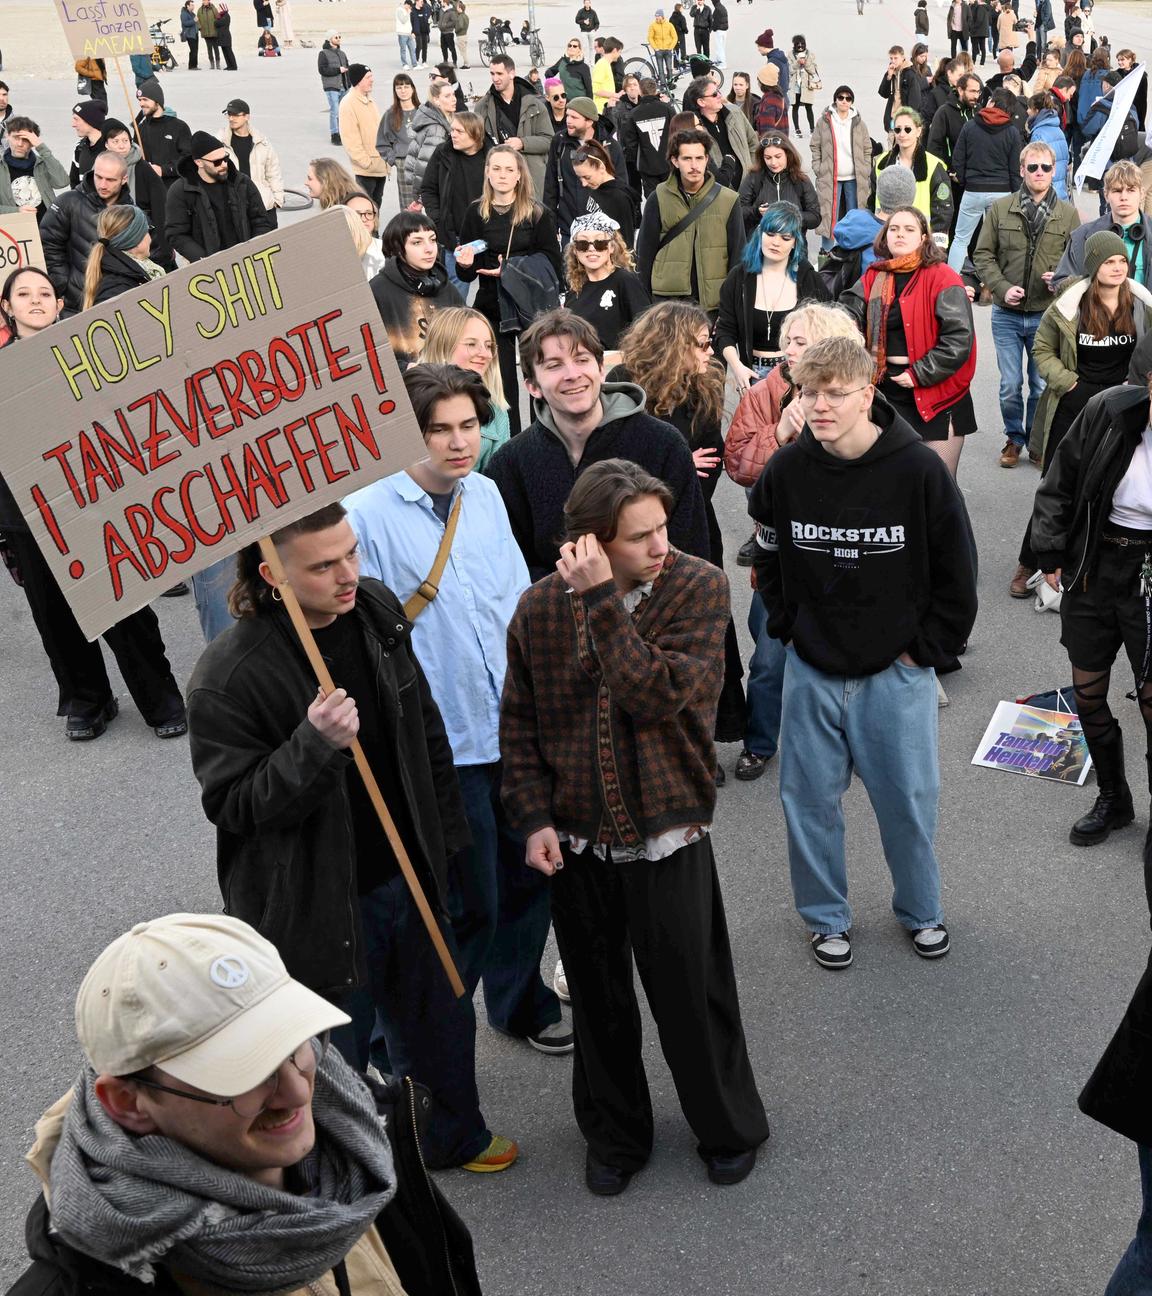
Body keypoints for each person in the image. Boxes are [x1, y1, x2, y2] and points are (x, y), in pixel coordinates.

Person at [186, 503, 516, 1174]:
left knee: (439, 1019)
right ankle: (353, 1174)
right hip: (319, 903)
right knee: (331, 1054)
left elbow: (423, 728)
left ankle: (452, 1134)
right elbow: (234, 805)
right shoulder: (228, 675)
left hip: (407, 869)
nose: (347, 574)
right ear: (273, 572)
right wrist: (315, 744)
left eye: (351, 554)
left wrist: (448, 844)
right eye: (324, 564)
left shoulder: (372, 608)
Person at [499, 455, 769, 1195]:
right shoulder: (537, 609)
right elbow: (519, 724)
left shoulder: (698, 586)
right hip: (577, 839)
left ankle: (727, 1126)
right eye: (639, 535)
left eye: (662, 526)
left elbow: (656, 693)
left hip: (666, 829)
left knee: (691, 995)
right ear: (591, 542)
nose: (661, 545)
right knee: (598, 1000)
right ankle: (615, 1136)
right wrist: (531, 819)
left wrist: (601, 607)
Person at [3, 912, 484, 1296]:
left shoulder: (362, 1138)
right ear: (127, 1102)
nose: (298, 1093)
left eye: (292, 1043)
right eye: (245, 1073)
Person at [344, 365, 570, 1058]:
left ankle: (518, 1000)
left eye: (467, 424)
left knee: (532, 877)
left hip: (513, 726)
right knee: (467, 904)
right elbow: (363, 632)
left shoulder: (491, 493)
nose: (456, 441)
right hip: (442, 745)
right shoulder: (368, 511)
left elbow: (509, 598)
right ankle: (413, 1041)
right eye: (436, 429)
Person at [749, 333, 976, 969]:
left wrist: (925, 651)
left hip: (895, 673)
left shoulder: (918, 470)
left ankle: (921, 910)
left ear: (866, 396)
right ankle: (826, 919)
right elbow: (765, 553)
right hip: (812, 668)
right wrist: (789, 629)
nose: (819, 406)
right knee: (809, 804)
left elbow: (959, 574)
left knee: (908, 803)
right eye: (809, 393)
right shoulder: (787, 470)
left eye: (834, 394)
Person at [0, 267, 187, 737]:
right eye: (24, 294)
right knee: (56, 619)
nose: (36, 300)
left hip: (96, 507)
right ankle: (89, 701)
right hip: (27, 518)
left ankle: (161, 701)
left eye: (45, 293)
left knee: (126, 610)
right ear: (7, 307)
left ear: (60, 305)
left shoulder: (87, 359)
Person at [1028, 258, 1152, 858]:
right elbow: (1057, 485)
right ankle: (1113, 797)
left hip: (1151, 575)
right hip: (1098, 563)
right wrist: (1050, 553)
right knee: (1091, 693)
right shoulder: (1110, 412)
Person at [725, 303, 863, 776]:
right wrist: (779, 430)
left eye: (801, 341)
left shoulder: (858, 391)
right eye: (788, 340)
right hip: (779, 551)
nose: (788, 349)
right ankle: (760, 741)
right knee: (766, 654)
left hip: (844, 552)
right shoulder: (766, 392)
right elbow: (739, 465)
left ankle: (845, 742)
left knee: (843, 651)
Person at [484, 307, 709, 578]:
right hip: (555, 615)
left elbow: (691, 555)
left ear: (601, 369)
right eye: (554, 365)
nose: (572, 374)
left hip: (655, 614)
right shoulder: (510, 464)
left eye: (581, 359)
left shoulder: (663, 444)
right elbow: (511, 570)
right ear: (532, 385)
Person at [1016, 233, 1152, 607]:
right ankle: (1029, 563)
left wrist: (1137, 386)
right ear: (1094, 266)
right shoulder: (1069, 305)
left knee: (1109, 484)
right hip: (1076, 404)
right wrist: (1067, 382)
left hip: (1124, 408)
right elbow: (1042, 348)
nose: (1118, 268)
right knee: (1057, 485)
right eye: (1109, 262)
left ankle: (1092, 568)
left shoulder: (1142, 303)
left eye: (1122, 261)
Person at [842, 205, 978, 479]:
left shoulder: (943, 276)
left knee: (940, 486)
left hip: (936, 393)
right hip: (885, 390)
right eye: (893, 229)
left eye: (908, 229)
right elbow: (846, 312)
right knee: (890, 484)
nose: (899, 234)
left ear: (924, 238)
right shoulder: (874, 275)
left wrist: (918, 374)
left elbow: (959, 339)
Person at [972, 138, 1081, 476]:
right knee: (1009, 384)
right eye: (1032, 167)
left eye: (1045, 167)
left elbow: (1076, 263)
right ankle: (1013, 437)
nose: (1038, 172)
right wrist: (1002, 288)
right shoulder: (1000, 209)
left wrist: (1059, 280)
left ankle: (1035, 441)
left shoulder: (1068, 214)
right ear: (1022, 170)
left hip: (1046, 315)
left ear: (1054, 171)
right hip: (1006, 314)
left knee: (1038, 385)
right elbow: (981, 254)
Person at [455, 147, 562, 435]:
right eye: (496, 169)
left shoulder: (537, 213)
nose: (502, 175)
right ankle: (510, 443)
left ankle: (542, 439)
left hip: (528, 306)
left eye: (508, 170)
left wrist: (510, 270)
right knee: (501, 383)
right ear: (487, 172)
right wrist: (464, 262)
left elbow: (553, 263)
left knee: (537, 377)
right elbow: (466, 272)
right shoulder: (476, 212)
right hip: (491, 306)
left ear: (518, 176)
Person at [716, 202, 829, 392]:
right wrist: (738, 368)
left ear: (795, 242)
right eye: (770, 234)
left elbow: (829, 327)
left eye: (785, 237)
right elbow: (725, 331)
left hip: (798, 375)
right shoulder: (739, 277)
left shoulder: (808, 278)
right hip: (752, 374)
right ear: (760, 233)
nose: (776, 242)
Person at [635, 128, 744, 316]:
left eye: (699, 158)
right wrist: (646, 305)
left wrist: (731, 307)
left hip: (713, 302)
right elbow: (645, 254)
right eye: (687, 159)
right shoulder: (658, 197)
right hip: (667, 300)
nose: (694, 165)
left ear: (707, 160)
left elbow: (738, 256)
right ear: (675, 161)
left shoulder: (728, 199)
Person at [418, 306, 511, 465]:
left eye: (488, 346)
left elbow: (500, 479)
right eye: (471, 344)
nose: (484, 354)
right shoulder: (407, 403)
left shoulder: (496, 411)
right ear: (444, 344)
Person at [369, 210, 462, 368]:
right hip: (406, 386)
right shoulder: (377, 291)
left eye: (432, 240)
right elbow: (367, 353)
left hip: (449, 383)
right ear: (398, 248)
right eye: (417, 242)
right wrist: (404, 368)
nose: (429, 249)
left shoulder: (446, 288)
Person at [40, 150, 130, 313]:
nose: (102, 185)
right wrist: (62, 285)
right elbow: (47, 244)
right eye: (98, 177)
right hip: (72, 305)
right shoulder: (68, 202)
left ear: (124, 179)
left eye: (110, 180)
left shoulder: (131, 213)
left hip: (115, 304)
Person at [165, 130, 275, 263]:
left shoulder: (242, 182)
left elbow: (261, 221)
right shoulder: (180, 191)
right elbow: (176, 234)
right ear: (199, 162)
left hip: (247, 260)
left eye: (225, 158)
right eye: (217, 162)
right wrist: (204, 260)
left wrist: (253, 249)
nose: (224, 164)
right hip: (208, 267)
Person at [817, 164, 919, 300]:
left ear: (879, 193)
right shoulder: (905, 240)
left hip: (850, 305)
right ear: (911, 197)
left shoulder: (854, 222)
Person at [421, 110, 490, 293]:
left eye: (459, 131)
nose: (453, 134)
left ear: (475, 134)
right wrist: (438, 221)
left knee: (493, 292)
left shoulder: (492, 157)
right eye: (452, 130)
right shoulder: (443, 153)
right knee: (456, 293)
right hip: (456, 238)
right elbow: (428, 189)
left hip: (489, 236)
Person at [1054, 161, 1152, 291]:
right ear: (1106, 195)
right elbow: (1060, 282)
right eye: (1117, 191)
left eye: (1130, 190)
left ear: (1141, 194)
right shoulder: (1082, 236)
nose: (1124, 197)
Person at [563, 213, 650, 356]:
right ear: (575, 250)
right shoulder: (574, 290)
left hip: (618, 368)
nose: (592, 249)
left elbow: (646, 330)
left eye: (600, 243)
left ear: (611, 247)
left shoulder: (625, 281)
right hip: (583, 367)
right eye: (583, 244)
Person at [543, 96, 626, 243]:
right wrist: (550, 224)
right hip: (569, 227)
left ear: (589, 121)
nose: (568, 120)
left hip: (602, 229)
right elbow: (551, 185)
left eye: (574, 117)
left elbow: (621, 186)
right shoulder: (559, 142)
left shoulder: (610, 146)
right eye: (567, 115)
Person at [873, 106, 954, 248]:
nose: (902, 134)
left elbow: (943, 211)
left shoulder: (934, 166)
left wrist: (937, 249)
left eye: (907, 129)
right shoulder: (881, 163)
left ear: (919, 131)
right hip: (887, 241)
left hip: (921, 244)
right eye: (898, 129)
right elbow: (871, 202)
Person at [99, 118, 175, 269]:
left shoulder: (143, 168)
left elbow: (161, 207)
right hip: (115, 233)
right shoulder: (101, 169)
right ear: (106, 144)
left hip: (146, 236)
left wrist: (165, 245)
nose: (122, 145)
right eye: (116, 141)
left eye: (125, 140)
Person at [476, 54, 554, 199]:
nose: (495, 78)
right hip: (500, 183)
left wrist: (522, 143)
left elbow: (549, 140)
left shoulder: (536, 105)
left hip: (532, 180)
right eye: (492, 74)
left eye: (499, 73)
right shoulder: (482, 107)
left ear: (512, 73)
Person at [810, 86, 873, 253]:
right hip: (831, 178)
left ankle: (853, 253)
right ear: (835, 100)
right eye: (840, 97)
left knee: (855, 217)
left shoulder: (859, 123)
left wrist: (866, 169)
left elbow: (867, 148)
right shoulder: (824, 121)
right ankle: (827, 253)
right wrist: (819, 168)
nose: (844, 101)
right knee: (829, 217)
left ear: (852, 101)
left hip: (854, 178)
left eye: (848, 98)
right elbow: (815, 145)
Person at [81, 203, 166, 308]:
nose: (150, 237)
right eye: (147, 230)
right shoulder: (117, 288)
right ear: (135, 238)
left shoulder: (133, 273)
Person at [737, 132, 819, 236]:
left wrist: (790, 216)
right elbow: (738, 211)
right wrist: (757, 212)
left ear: (788, 154)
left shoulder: (801, 180)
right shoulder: (753, 178)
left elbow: (815, 217)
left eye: (778, 156)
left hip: (794, 248)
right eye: (768, 158)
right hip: (760, 246)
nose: (773, 163)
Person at [685, 75, 758, 190]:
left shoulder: (735, 112)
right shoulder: (695, 129)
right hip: (720, 193)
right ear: (701, 102)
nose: (720, 96)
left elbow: (753, 142)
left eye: (718, 91)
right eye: (714, 94)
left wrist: (752, 171)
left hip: (748, 188)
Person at [217, 98, 282, 219]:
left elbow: (273, 172)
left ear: (247, 117)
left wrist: (277, 199)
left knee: (268, 237)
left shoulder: (261, 142)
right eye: (229, 114)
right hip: (233, 205)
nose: (231, 118)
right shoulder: (220, 142)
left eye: (236, 115)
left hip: (261, 203)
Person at [569, 139, 636, 246]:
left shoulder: (619, 197)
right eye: (580, 178)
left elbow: (626, 242)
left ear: (601, 167)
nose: (584, 184)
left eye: (587, 177)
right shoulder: (596, 188)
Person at [0, 117, 68, 222]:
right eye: (16, 137)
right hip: (14, 228)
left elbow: (62, 182)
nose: (20, 144)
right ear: (7, 136)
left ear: (33, 142)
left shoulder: (42, 163)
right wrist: (16, 211)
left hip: (47, 226)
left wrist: (41, 147)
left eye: (26, 139)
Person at [338, 65, 388, 207]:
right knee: (365, 209)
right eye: (368, 77)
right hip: (367, 170)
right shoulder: (348, 104)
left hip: (379, 166)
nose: (372, 80)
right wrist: (366, 162)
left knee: (376, 207)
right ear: (358, 80)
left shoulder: (369, 100)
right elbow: (350, 140)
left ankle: (375, 230)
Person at [405, 79, 456, 209]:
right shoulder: (437, 129)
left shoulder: (439, 120)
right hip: (434, 192)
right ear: (436, 100)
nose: (453, 99)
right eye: (447, 96)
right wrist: (421, 199)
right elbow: (425, 164)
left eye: (453, 94)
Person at [620, 77, 675, 198]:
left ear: (640, 91)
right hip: (669, 162)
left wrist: (638, 161)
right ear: (656, 90)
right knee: (672, 196)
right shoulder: (668, 109)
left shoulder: (633, 114)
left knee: (653, 200)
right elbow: (677, 133)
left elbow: (630, 143)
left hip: (647, 166)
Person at [134, 78, 192, 189]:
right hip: (149, 188)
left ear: (157, 101)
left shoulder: (179, 126)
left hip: (174, 188)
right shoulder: (140, 128)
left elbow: (188, 159)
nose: (141, 104)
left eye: (145, 100)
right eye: (139, 100)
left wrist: (163, 170)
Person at [377, 74, 420, 210]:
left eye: (406, 86)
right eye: (399, 87)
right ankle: (411, 231)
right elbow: (382, 142)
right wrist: (394, 159)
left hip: (425, 162)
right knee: (409, 206)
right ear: (395, 90)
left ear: (413, 89)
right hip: (404, 163)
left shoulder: (424, 111)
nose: (403, 90)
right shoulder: (390, 114)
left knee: (432, 200)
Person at [878, 45, 923, 132]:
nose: (893, 61)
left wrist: (909, 119)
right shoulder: (891, 72)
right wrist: (889, 76)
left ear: (902, 58)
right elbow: (883, 93)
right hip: (892, 119)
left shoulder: (910, 74)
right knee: (891, 143)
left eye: (896, 58)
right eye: (891, 58)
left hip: (905, 121)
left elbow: (915, 100)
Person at [318, 30, 349, 145]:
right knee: (335, 111)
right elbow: (322, 70)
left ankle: (343, 132)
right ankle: (334, 134)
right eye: (336, 37)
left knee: (343, 111)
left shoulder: (342, 53)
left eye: (339, 36)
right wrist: (338, 70)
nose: (338, 38)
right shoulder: (323, 53)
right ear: (329, 39)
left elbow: (347, 67)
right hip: (331, 86)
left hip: (343, 86)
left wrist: (349, 84)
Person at [68, 98, 106, 188]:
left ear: (90, 121)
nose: (73, 124)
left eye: (76, 119)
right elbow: (74, 183)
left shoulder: (111, 148)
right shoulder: (80, 148)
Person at [787, 40, 820, 138]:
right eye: (798, 44)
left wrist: (805, 63)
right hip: (795, 86)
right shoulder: (790, 55)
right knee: (795, 107)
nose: (800, 46)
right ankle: (797, 130)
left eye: (802, 44)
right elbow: (790, 70)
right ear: (794, 45)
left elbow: (813, 71)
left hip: (806, 86)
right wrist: (797, 63)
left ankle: (812, 129)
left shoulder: (810, 55)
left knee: (809, 107)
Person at [592, 37, 624, 115]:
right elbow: (596, 90)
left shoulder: (606, 63)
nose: (619, 55)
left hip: (607, 108)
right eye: (619, 52)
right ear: (614, 50)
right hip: (601, 109)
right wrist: (616, 95)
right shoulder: (602, 64)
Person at [648, 8, 678, 84]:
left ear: (662, 16)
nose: (657, 18)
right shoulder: (653, 26)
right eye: (656, 16)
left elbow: (675, 37)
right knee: (660, 69)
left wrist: (671, 47)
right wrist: (655, 48)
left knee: (669, 68)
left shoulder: (669, 25)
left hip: (668, 50)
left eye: (658, 16)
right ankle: (663, 83)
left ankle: (670, 82)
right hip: (659, 50)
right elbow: (650, 37)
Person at [197, 0, 222, 69]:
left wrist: (217, 27)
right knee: (209, 49)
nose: (204, 2)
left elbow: (218, 18)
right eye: (203, 0)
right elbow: (197, 20)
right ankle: (212, 64)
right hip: (205, 33)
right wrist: (200, 27)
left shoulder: (213, 9)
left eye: (206, 0)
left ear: (209, 1)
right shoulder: (199, 10)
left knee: (216, 48)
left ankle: (218, 63)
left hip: (214, 32)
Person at [214, 2, 238, 72]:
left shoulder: (226, 16)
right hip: (222, 36)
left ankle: (234, 66)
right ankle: (229, 65)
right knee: (224, 51)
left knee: (229, 51)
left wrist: (216, 20)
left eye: (219, 8)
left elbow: (217, 23)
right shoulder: (221, 16)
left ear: (223, 8)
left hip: (226, 36)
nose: (218, 9)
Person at [395, 0, 416, 68]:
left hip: (409, 33)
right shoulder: (399, 10)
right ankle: (405, 64)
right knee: (403, 50)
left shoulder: (407, 11)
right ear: (406, 4)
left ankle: (414, 64)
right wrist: (408, 13)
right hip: (402, 33)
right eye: (409, 6)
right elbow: (403, 20)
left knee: (412, 49)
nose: (410, 8)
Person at [411, 0, 432, 68]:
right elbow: (411, 23)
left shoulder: (425, 9)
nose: (422, 3)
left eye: (422, 2)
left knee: (425, 47)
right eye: (420, 1)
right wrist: (412, 32)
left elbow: (429, 15)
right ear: (416, 2)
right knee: (419, 46)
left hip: (425, 31)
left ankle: (424, 61)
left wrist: (429, 21)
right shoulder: (413, 11)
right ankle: (416, 61)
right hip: (417, 32)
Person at [180, 0, 200, 69]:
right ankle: (191, 66)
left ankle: (195, 65)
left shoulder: (192, 13)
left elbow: (196, 23)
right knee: (193, 50)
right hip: (189, 34)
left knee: (196, 50)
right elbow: (185, 23)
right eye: (191, 5)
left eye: (193, 5)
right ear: (187, 6)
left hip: (195, 34)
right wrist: (194, 20)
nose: (193, 6)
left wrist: (198, 28)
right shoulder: (184, 13)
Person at [438, 1, 458, 65]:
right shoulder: (441, 10)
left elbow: (454, 21)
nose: (441, 3)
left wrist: (446, 25)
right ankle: (445, 60)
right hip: (442, 32)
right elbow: (440, 19)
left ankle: (454, 61)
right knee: (443, 47)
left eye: (442, 2)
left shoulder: (451, 11)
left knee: (451, 48)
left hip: (449, 32)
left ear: (445, 2)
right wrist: (439, 24)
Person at [455, 1, 471, 68]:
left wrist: (456, 30)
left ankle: (467, 64)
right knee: (464, 51)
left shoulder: (461, 16)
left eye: (457, 7)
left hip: (461, 36)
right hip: (465, 35)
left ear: (460, 8)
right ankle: (465, 64)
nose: (456, 9)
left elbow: (460, 26)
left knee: (463, 52)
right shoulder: (466, 16)